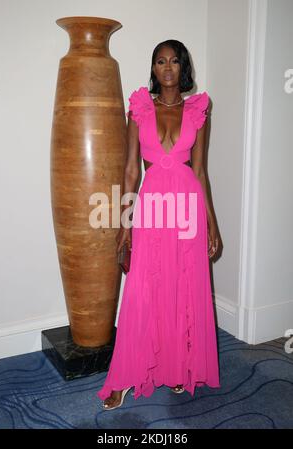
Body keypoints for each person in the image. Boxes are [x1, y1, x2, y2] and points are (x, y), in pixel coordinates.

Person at [97, 40, 221, 410]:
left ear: (183, 68)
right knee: (142, 290)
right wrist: (124, 223)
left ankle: (177, 368)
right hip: (152, 206)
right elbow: (132, 169)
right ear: (153, 69)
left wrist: (212, 224)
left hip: (187, 209)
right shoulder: (139, 108)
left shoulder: (198, 110)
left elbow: (199, 171)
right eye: (160, 61)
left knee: (182, 287)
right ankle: (122, 378)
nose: (167, 67)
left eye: (174, 61)